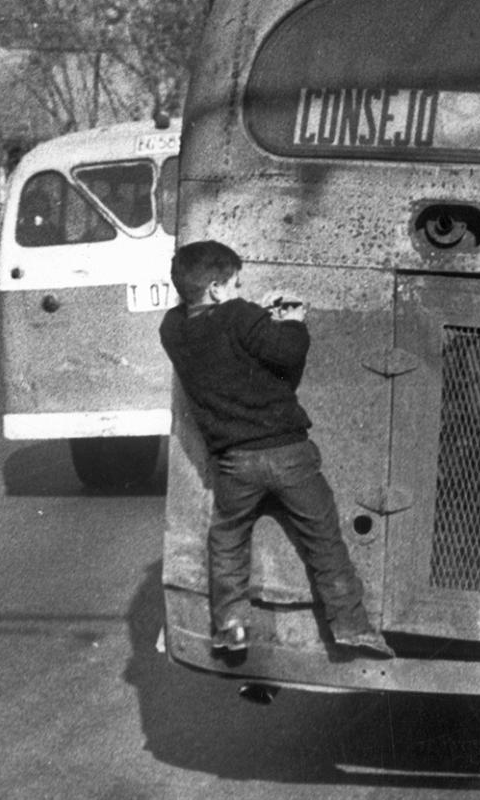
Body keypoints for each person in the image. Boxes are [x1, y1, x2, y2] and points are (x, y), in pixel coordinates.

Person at [159, 240, 394, 658]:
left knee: (228, 538)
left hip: (234, 462)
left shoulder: (173, 331)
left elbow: (216, 331)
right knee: (323, 538)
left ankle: (230, 626)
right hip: (288, 454)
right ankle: (352, 626)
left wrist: (256, 313)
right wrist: (293, 320)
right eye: (235, 284)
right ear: (216, 288)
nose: (239, 290)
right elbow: (286, 350)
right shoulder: (238, 315)